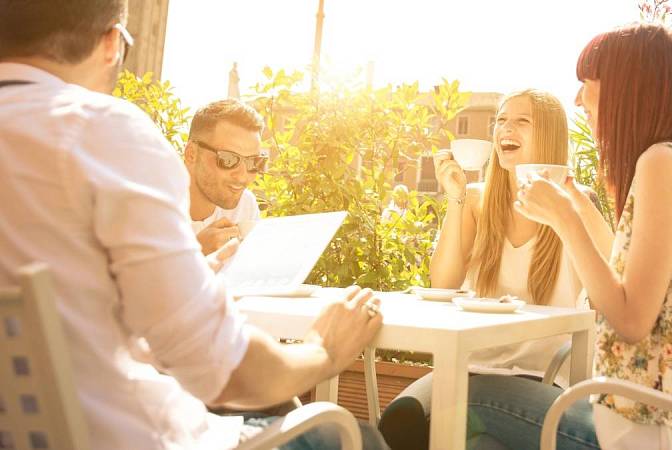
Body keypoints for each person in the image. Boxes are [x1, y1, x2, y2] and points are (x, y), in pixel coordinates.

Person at [0, 1, 388, 449]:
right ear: (111, 44)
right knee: (351, 435)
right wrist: (324, 350)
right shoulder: (101, 133)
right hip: (128, 438)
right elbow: (229, 374)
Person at [475, 23, 672, 449]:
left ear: (626, 87)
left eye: (587, 83)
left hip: (659, 432)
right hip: (664, 420)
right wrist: (576, 202)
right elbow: (620, 270)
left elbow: (631, 318)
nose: (578, 98)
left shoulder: (661, 164)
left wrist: (564, 220)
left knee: (473, 395)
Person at [378, 89, 586, 449]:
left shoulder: (575, 204)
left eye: (522, 121)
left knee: (474, 437)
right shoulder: (476, 199)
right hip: (469, 368)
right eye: (501, 120)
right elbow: (443, 283)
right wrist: (455, 200)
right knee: (401, 416)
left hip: (541, 378)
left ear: (550, 135)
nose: (507, 128)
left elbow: (608, 292)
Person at [184, 98, 265, 255]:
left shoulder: (245, 205)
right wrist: (196, 254)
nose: (242, 177)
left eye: (254, 162)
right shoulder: (146, 207)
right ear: (191, 154)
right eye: (228, 159)